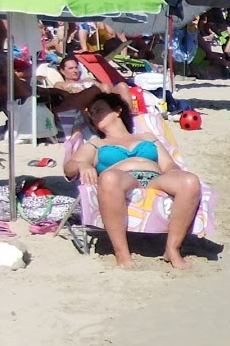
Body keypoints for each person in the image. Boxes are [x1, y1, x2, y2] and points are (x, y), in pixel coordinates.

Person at [62, 91, 202, 269]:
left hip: (155, 179)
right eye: (92, 114)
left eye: (99, 110)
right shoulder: (96, 144)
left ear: (117, 111)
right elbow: (69, 167)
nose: (95, 115)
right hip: (122, 179)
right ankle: (122, 253)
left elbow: (168, 166)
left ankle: (172, 249)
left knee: (190, 181)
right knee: (110, 178)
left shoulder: (147, 137)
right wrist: (82, 166)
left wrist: (176, 174)